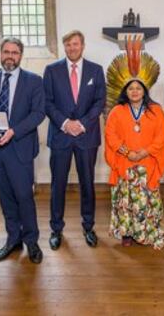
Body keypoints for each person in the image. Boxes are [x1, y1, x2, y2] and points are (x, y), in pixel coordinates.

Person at [0, 37, 46, 264]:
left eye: (14, 53)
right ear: (1, 54)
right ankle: (13, 239)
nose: (10, 56)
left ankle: (31, 241)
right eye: (6, 52)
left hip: (20, 147)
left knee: (24, 196)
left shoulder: (33, 81)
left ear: (20, 56)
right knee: (5, 196)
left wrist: (13, 131)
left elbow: (38, 113)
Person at [43, 30, 106, 250]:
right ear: (64, 47)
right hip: (60, 135)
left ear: (83, 45)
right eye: (68, 44)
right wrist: (65, 124)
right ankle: (56, 229)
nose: (72, 48)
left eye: (76, 44)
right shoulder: (52, 70)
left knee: (87, 183)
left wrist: (82, 124)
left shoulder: (95, 71)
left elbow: (100, 102)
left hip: (86, 136)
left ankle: (88, 226)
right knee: (57, 184)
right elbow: (47, 102)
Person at [104, 79, 164, 249]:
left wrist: (145, 152)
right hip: (125, 162)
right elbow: (111, 135)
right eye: (131, 88)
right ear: (125, 92)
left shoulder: (155, 111)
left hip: (147, 162)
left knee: (146, 200)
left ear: (144, 91)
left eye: (138, 88)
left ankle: (146, 231)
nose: (134, 91)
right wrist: (127, 152)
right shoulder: (117, 111)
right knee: (125, 200)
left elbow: (161, 136)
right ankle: (126, 233)